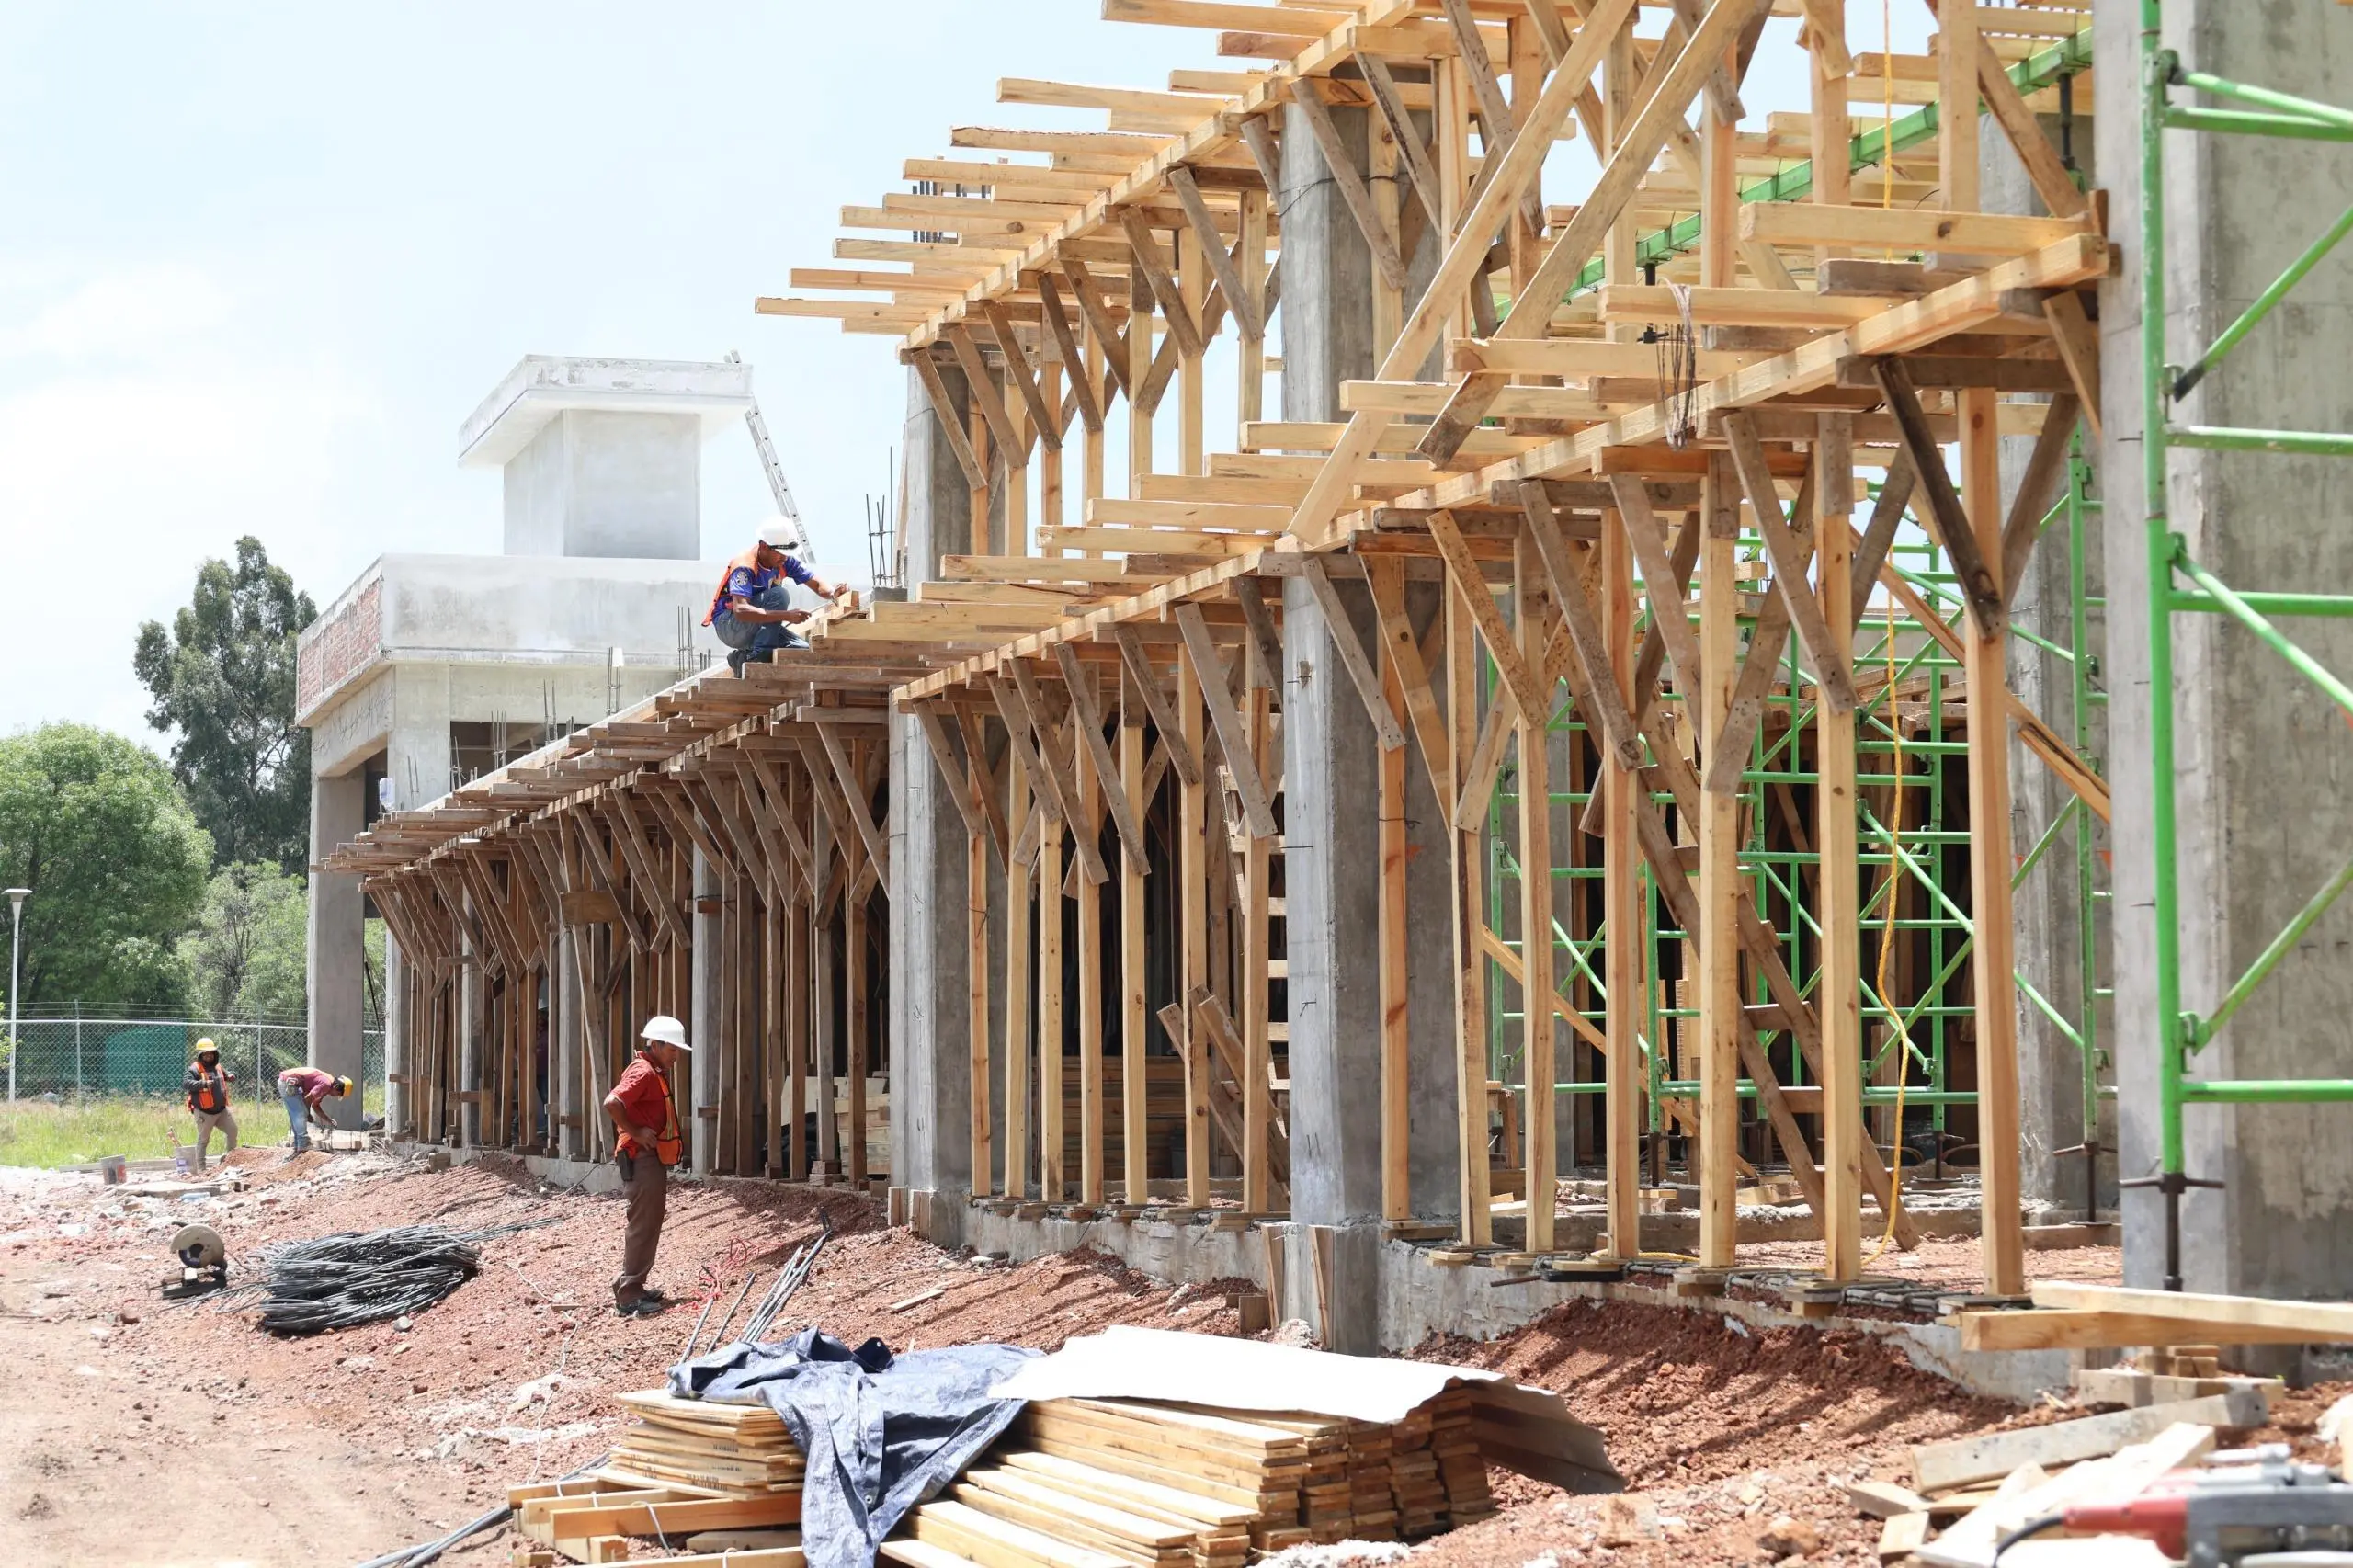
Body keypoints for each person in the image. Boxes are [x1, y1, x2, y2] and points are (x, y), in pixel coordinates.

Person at [604, 1015, 690, 1317]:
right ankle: (630, 1295)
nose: (676, 1055)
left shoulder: (652, 1071)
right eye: (673, 1049)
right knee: (643, 1224)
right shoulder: (643, 1072)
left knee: (648, 1221)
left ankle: (631, 1285)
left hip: (646, 1157)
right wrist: (636, 1132)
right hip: (640, 1156)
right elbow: (612, 1103)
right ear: (656, 1045)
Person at [703, 526, 844, 676]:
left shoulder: (784, 561)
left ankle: (742, 658)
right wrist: (787, 616)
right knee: (779, 595)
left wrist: (833, 593)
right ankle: (760, 655)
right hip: (730, 626)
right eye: (781, 553)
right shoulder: (744, 566)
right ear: (764, 546)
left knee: (801, 651)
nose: (784, 558)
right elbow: (741, 611)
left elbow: (816, 584)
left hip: (756, 626)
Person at [182, 1040, 237, 1171]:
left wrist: (231, 1076)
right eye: (206, 1054)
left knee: (233, 1131)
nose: (209, 1056)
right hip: (204, 1113)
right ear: (200, 1055)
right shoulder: (194, 1069)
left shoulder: (218, 1067)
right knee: (203, 1140)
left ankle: (229, 1161)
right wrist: (203, 1084)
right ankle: (201, 1169)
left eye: (211, 1054)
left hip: (221, 1111)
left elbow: (227, 1075)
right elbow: (186, 1083)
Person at [278, 1066, 354, 1154]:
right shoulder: (326, 1084)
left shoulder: (326, 1087)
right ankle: (303, 1144)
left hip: (287, 1082)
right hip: (288, 1082)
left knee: (297, 1113)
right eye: (338, 1094)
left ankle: (297, 1144)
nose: (336, 1096)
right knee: (300, 1113)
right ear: (336, 1086)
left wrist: (328, 1120)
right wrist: (307, 1114)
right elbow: (307, 1100)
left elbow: (315, 1105)